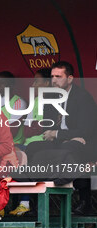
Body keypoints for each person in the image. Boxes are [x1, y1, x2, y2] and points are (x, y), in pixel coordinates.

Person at [25, 61, 97, 215]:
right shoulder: (50, 97)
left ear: (70, 79)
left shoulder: (82, 97)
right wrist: (60, 136)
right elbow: (47, 127)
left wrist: (59, 135)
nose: (54, 80)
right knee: (33, 148)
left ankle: (84, 202)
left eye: (59, 76)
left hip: (84, 143)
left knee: (72, 148)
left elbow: (86, 130)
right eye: (52, 76)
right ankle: (36, 201)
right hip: (61, 141)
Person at [9, 68, 51, 216]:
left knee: (28, 154)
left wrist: (37, 127)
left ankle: (25, 203)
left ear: (47, 83)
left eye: (37, 81)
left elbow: (49, 126)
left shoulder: (55, 100)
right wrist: (37, 127)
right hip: (27, 144)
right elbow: (27, 130)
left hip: (44, 145)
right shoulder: (36, 101)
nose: (33, 85)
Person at [0, 71, 27, 146]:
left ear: (11, 86)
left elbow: (12, 131)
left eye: (2, 83)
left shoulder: (18, 103)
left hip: (14, 145)